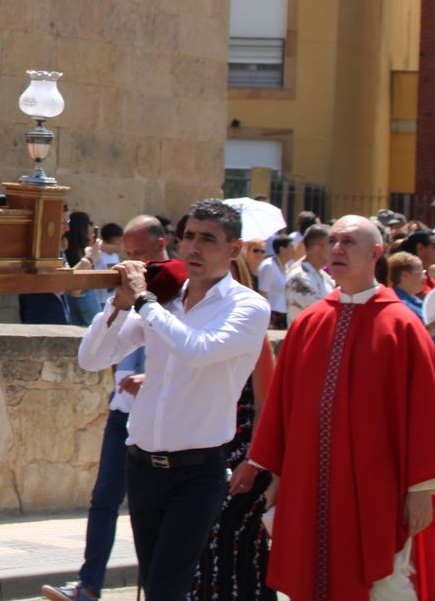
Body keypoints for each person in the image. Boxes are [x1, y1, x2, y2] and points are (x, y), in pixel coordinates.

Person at [236, 215, 435, 601]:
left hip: (379, 490)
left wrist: (422, 490)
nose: (337, 248)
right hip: (309, 484)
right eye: (334, 242)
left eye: (349, 242)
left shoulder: (402, 326)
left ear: (376, 253)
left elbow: (426, 414)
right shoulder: (308, 323)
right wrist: (275, 477)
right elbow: (282, 409)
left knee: (384, 585)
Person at [75, 199, 270, 601]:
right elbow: (92, 359)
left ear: (234, 249)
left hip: (197, 472)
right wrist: (119, 303)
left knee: (167, 588)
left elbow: (197, 350)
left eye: (208, 240)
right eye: (190, 238)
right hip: (143, 466)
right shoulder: (166, 300)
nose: (194, 248)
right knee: (156, 586)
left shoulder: (248, 306)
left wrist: (144, 300)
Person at [42, 215, 179, 601]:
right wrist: (118, 306)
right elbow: (96, 356)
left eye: (139, 253)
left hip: (167, 419)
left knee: (153, 512)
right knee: (104, 497)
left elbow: (188, 356)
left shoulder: (181, 289)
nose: (132, 261)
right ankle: (88, 584)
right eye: (128, 253)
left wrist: (150, 379)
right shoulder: (134, 291)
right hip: (126, 412)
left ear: (161, 245)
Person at [188, 250, 276, 601]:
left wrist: (254, 462)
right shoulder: (198, 331)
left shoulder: (252, 333)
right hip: (205, 454)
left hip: (243, 458)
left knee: (234, 548)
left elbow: (267, 404)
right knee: (205, 549)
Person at [284, 223, 333, 324]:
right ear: (320, 245)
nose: (336, 248)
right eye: (332, 243)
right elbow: (323, 314)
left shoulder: (326, 277)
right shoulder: (298, 278)